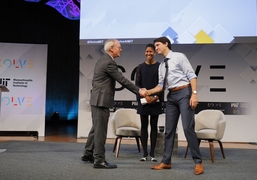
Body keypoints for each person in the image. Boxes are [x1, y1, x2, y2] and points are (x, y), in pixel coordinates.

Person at [81, 39, 147, 169]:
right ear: (112, 48)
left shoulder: (102, 60)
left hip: (97, 99)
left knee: (96, 128)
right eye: (119, 47)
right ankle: (99, 160)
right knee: (100, 131)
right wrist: (139, 90)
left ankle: (88, 153)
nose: (121, 49)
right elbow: (122, 80)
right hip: (101, 101)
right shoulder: (109, 62)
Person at [147, 37, 204, 175]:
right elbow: (161, 86)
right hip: (171, 96)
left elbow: (192, 76)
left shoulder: (179, 57)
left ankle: (198, 162)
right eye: (155, 46)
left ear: (166, 44)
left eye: (158, 45)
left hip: (185, 92)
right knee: (169, 130)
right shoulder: (161, 66)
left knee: (187, 127)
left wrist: (194, 94)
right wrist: (147, 91)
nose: (156, 48)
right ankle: (166, 161)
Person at [135, 43, 163, 162]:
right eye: (147, 52)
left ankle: (152, 154)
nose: (148, 54)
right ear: (144, 53)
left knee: (153, 126)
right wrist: (145, 98)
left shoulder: (160, 66)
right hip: (143, 101)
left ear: (154, 53)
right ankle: (144, 154)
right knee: (144, 126)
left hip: (156, 101)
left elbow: (162, 84)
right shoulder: (140, 67)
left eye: (151, 51)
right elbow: (137, 86)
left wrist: (155, 97)